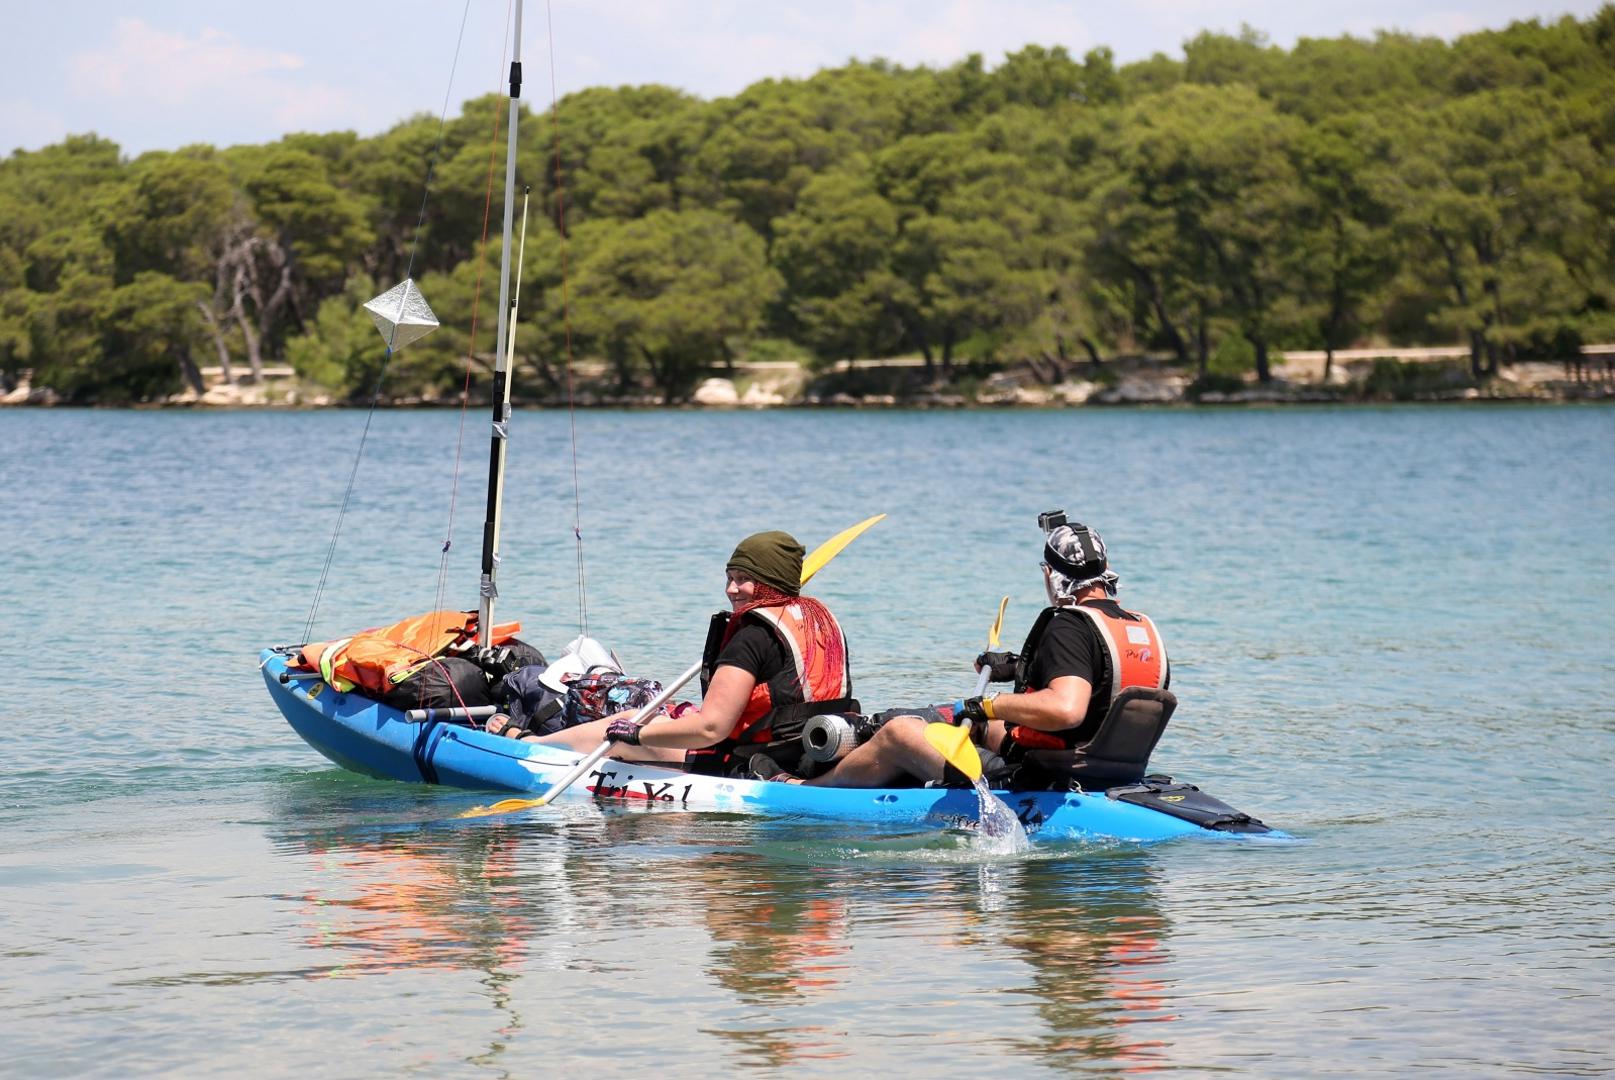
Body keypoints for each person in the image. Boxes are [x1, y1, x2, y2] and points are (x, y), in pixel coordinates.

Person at [783, 513, 1167, 789]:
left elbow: (1066, 709)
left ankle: (810, 789)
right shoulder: (1138, 627)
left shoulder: (1068, 624)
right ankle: (873, 737)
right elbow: (1097, 681)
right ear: (1106, 569)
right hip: (1111, 770)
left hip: (1044, 779)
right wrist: (1016, 668)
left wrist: (989, 705)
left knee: (900, 732)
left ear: (1050, 574)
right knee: (982, 726)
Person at [532, 530, 854, 775]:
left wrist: (639, 734)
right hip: (812, 751)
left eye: (743, 580)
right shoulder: (820, 622)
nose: (731, 589)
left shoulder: (752, 637)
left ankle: (529, 749)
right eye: (729, 578)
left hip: (750, 763)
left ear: (770, 581)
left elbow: (711, 729)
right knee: (666, 716)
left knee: (628, 720)